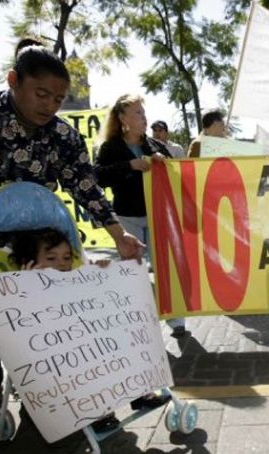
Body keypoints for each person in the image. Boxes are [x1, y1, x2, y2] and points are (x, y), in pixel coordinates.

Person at [0, 45, 145, 414]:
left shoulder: (64, 137)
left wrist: (120, 235)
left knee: (66, 314)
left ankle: (84, 388)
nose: (50, 105)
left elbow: (86, 187)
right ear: (13, 81)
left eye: (58, 98)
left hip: (46, 241)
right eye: (41, 94)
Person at [6, 228, 170, 431]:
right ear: (30, 262)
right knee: (87, 368)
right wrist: (27, 283)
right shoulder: (21, 294)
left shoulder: (73, 280)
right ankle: (99, 412)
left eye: (67, 257)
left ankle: (138, 391)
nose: (62, 263)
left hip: (90, 347)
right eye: (51, 258)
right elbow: (20, 324)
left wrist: (101, 273)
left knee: (121, 345)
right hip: (61, 360)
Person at [94, 95, 187, 338]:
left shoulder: (155, 145)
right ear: (122, 118)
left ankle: (176, 320)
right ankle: (137, 320)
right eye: (137, 113)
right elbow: (98, 177)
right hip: (127, 218)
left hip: (158, 217)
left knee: (166, 268)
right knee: (134, 271)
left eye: (144, 113)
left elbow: (176, 173)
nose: (144, 118)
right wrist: (129, 166)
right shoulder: (110, 147)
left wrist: (163, 163)